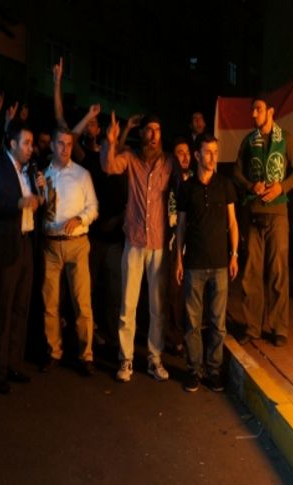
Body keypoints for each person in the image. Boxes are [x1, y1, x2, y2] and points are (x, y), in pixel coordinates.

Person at [101, 112, 173, 382]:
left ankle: (155, 359)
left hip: (158, 243)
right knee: (128, 304)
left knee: (157, 306)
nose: (153, 134)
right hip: (134, 240)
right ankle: (126, 360)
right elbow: (109, 167)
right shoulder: (131, 159)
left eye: (157, 130)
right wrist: (110, 141)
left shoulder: (168, 163)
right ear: (142, 134)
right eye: (149, 130)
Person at [0, 121, 44, 394]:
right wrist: (16, 204)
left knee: (20, 307)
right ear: (13, 144)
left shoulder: (27, 171)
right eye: (27, 143)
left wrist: (40, 193)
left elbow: (34, 203)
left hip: (25, 243)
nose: (31, 148)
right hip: (4, 245)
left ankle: (13, 362)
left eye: (32, 143)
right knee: (1, 310)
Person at [232, 96, 293, 347]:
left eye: (258, 109)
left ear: (270, 111)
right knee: (251, 272)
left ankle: (278, 327)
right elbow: (236, 170)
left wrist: (281, 187)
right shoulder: (249, 141)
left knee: (278, 272)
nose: (253, 114)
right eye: (253, 110)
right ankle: (252, 326)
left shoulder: (285, 139)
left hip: (278, 215)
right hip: (253, 213)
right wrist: (251, 184)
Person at [175, 134, 238, 392]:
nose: (212, 157)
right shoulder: (186, 187)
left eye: (215, 151)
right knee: (192, 322)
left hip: (221, 264)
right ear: (197, 155)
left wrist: (234, 254)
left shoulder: (225, 184)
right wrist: (178, 259)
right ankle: (194, 370)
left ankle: (213, 370)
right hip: (194, 265)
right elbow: (180, 226)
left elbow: (232, 223)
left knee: (217, 323)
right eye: (208, 152)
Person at [39, 127, 99, 376]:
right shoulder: (43, 173)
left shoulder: (82, 174)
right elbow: (37, 206)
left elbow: (94, 206)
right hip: (51, 243)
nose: (65, 149)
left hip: (76, 244)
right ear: (52, 145)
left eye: (69, 144)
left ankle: (86, 355)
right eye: (60, 144)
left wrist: (81, 218)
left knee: (82, 303)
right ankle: (54, 351)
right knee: (50, 302)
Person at [165, 137, 194, 353]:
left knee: (190, 291)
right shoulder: (167, 180)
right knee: (173, 290)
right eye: (179, 152)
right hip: (172, 240)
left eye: (186, 152)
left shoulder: (197, 179)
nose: (183, 156)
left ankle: (190, 334)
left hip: (194, 241)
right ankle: (175, 336)